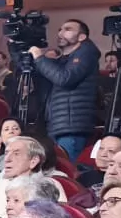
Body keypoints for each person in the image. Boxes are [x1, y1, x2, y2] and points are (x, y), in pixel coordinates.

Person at [32, 18, 104, 161]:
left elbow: (65, 78)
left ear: (81, 37)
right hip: (58, 125)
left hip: (72, 127)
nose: (61, 33)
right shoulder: (64, 60)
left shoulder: (87, 52)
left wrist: (39, 58)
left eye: (68, 29)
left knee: (69, 169)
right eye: (60, 29)